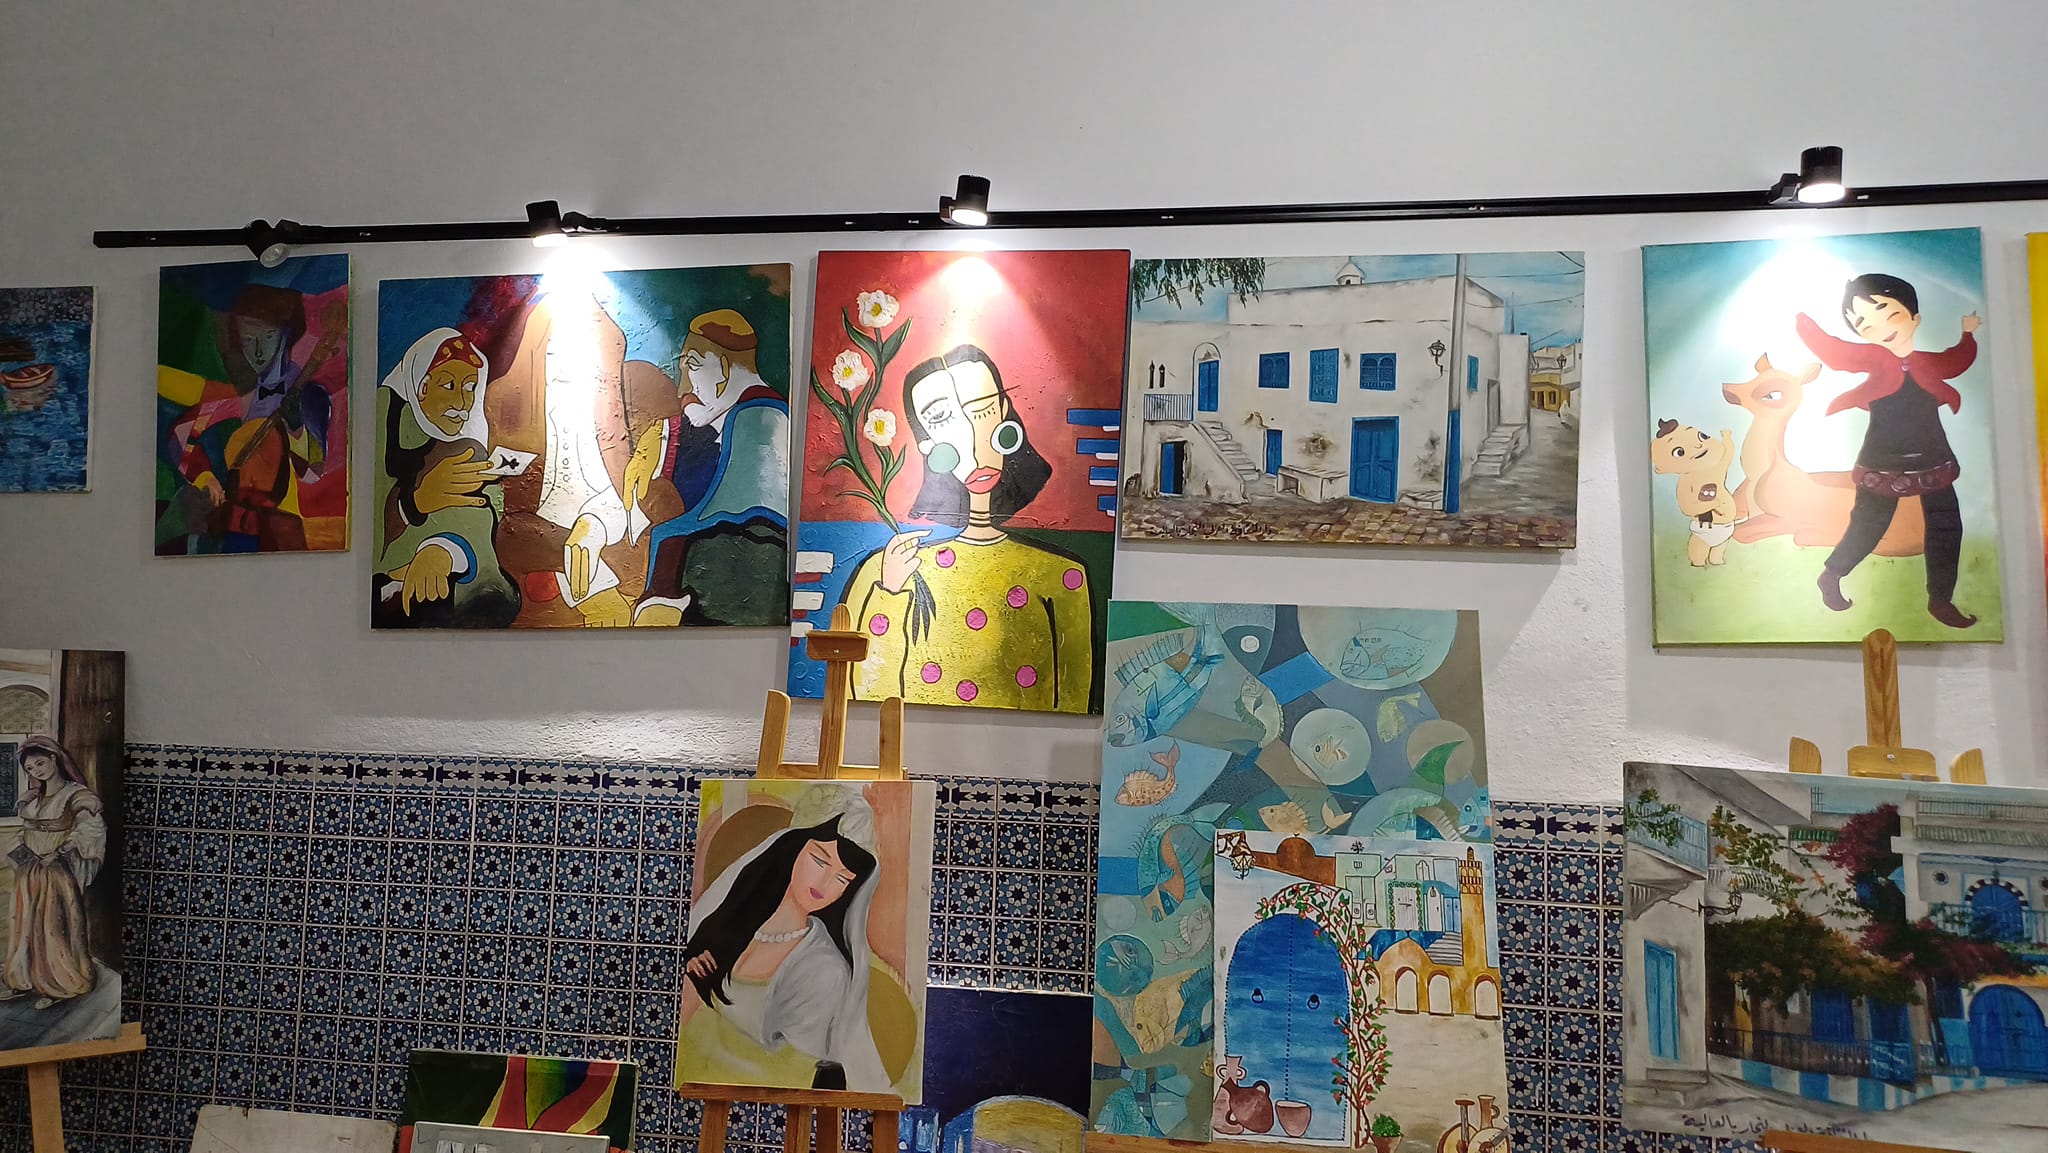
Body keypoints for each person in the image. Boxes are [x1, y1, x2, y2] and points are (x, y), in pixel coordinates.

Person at [838, 345, 1094, 712]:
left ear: (1004, 412)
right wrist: (890, 594)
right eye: (942, 419)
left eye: (983, 412)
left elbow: (1074, 703)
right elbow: (864, 697)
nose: (974, 444)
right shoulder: (886, 573)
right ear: (926, 443)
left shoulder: (1063, 576)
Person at [1795, 274, 1981, 628]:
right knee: (1868, 524)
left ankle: (1940, 599)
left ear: (1915, 318)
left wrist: (1968, 334)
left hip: (1932, 457)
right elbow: (1834, 351)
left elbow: (1956, 361)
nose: (1880, 329)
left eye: (1888, 314)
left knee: (1946, 527)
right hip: (1882, 459)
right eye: (1864, 324)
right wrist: (1802, 320)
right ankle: (1832, 574)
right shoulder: (1873, 358)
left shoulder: (1927, 362)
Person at [677, 790, 889, 1091]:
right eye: (819, 860)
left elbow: (793, 1070)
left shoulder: (826, 969)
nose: (825, 883)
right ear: (792, 848)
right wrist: (692, 980)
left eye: (842, 879)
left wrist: (703, 1003)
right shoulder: (734, 925)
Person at [620, 309, 791, 626]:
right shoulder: (749, 413)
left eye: (693, 367)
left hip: (749, 554)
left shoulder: (758, 415)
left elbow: (739, 511)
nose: (684, 387)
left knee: (670, 537)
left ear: (723, 369)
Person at [488, 291, 637, 627]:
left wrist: (593, 525)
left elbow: (617, 496)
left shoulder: (602, 417)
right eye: (555, 351)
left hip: (579, 541)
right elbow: (502, 510)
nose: (566, 365)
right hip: (528, 542)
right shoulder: (508, 407)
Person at [162, 283, 335, 552]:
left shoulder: (310, 396)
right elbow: (181, 433)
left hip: (283, 532)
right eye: (247, 339)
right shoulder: (239, 397)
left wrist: (297, 430)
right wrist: (204, 477)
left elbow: (313, 473)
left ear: (287, 336)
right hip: (234, 526)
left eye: (267, 337)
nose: (257, 352)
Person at [372, 328, 521, 628]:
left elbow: (480, 513)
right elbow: (371, 520)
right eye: (449, 385)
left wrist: (445, 549)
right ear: (422, 388)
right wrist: (415, 503)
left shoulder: (468, 448)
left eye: (469, 387)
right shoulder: (385, 420)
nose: (461, 402)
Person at [1, 736, 107, 1009]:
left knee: (53, 927)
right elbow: (27, 832)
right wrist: (21, 852)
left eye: (40, 763)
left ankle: (59, 984)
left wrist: (59, 851)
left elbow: (91, 829)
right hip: (29, 871)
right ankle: (23, 980)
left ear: (53, 758)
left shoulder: (77, 795)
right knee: (25, 923)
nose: (36, 771)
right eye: (30, 768)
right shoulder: (32, 798)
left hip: (56, 870)